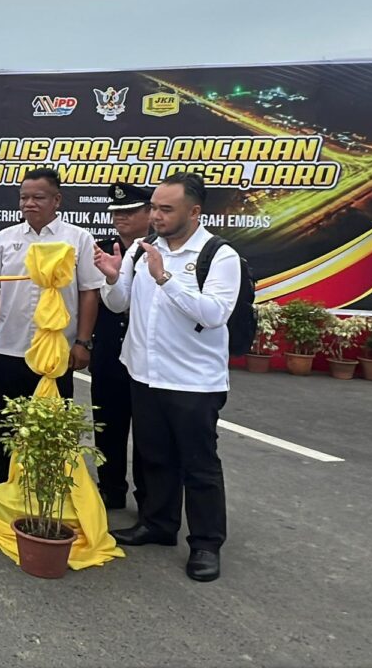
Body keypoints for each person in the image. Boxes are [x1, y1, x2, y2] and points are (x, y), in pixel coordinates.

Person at [96, 172, 242, 584]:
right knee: (154, 456)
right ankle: (158, 524)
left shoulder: (219, 255)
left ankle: (206, 544)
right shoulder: (141, 251)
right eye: (155, 208)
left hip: (193, 382)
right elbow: (119, 303)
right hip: (144, 374)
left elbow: (214, 314)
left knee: (199, 466)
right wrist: (112, 276)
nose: (156, 216)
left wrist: (165, 278)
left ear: (193, 212)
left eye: (166, 209)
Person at [0, 167, 103, 482]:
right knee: (10, 426)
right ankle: (9, 489)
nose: (29, 204)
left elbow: (89, 292)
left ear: (57, 200)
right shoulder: (5, 239)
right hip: (10, 348)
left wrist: (82, 342)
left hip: (56, 353)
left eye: (38, 197)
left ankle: (45, 493)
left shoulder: (78, 239)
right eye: (24, 197)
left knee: (51, 428)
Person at [91, 182, 153, 510]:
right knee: (107, 428)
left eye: (129, 211)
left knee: (147, 434)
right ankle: (110, 489)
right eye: (116, 212)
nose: (120, 217)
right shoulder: (100, 250)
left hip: (146, 358)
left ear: (149, 213)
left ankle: (148, 499)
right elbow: (89, 298)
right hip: (108, 353)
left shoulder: (160, 252)